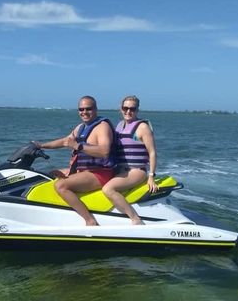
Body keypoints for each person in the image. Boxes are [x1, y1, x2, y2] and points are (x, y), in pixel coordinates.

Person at [36, 96, 115, 226]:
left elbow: (105, 151)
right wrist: (41, 145)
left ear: (95, 109)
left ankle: (90, 220)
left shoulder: (102, 126)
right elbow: (65, 141)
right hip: (85, 171)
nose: (84, 112)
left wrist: (78, 146)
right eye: (81, 109)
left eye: (88, 109)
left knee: (60, 185)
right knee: (49, 174)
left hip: (100, 173)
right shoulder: (81, 127)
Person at [102, 95, 158, 225]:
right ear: (120, 109)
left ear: (137, 110)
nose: (128, 111)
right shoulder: (119, 125)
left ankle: (135, 219)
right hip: (120, 170)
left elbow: (152, 153)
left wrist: (151, 177)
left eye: (132, 109)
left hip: (136, 171)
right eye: (125, 108)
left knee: (108, 189)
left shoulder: (142, 127)